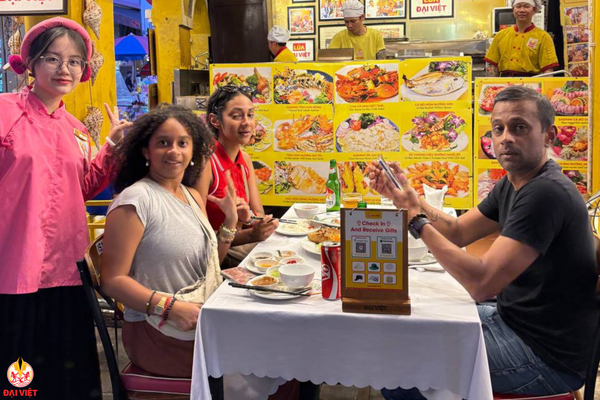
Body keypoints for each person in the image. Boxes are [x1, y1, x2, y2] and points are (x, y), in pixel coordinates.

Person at [369, 86, 597, 399]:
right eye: (498, 129)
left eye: (519, 127)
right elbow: (458, 231)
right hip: (514, 320)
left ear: (549, 136)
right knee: (414, 324)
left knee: (398, 367)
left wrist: (416, 220)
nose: (506, 138)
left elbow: (481, 283)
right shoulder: (514, 183)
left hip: (545, 357)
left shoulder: (545, 193)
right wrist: (410, 199)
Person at [0, 17, 131, 398]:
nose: (65, 69)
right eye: (53, 58)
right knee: (18, 375)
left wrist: (111, 147)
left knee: (66, 374)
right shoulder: (5, 112)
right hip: (14, 264)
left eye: (74, 61)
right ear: (32, 63)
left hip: (67, 266)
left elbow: (83, 187)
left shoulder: (76, 128)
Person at [100, 105, 239, 378]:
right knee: (274, 360)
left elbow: (208, 267)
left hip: (199, 322)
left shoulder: (191, 195)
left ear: (193, 150)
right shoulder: (135, 201)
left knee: (282, 345)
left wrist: (230, 223)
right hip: (158, 335)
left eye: (182, 143)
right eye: (163, 143)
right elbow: (112, 280)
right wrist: (170, 308)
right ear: (146, 151)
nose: (174, 151)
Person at [197, 85, 279, 269]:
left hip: (240, 246)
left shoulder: (245, 159)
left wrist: (249, 219)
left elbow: (258, 214)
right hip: (216, 258)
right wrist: (249, 232)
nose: (247, 123)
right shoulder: (207, 162)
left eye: (250, 115)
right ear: (215, 121)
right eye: (236, 116)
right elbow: (200, 236)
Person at [485, 0, 559, 77]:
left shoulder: (543, 37)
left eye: (526, 6)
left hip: (531, 82)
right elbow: (493, 67)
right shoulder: (500, 35)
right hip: (504, 82)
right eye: (518, 6)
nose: (522, 10)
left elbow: (548, 70)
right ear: (513, 9)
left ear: (534, 9)